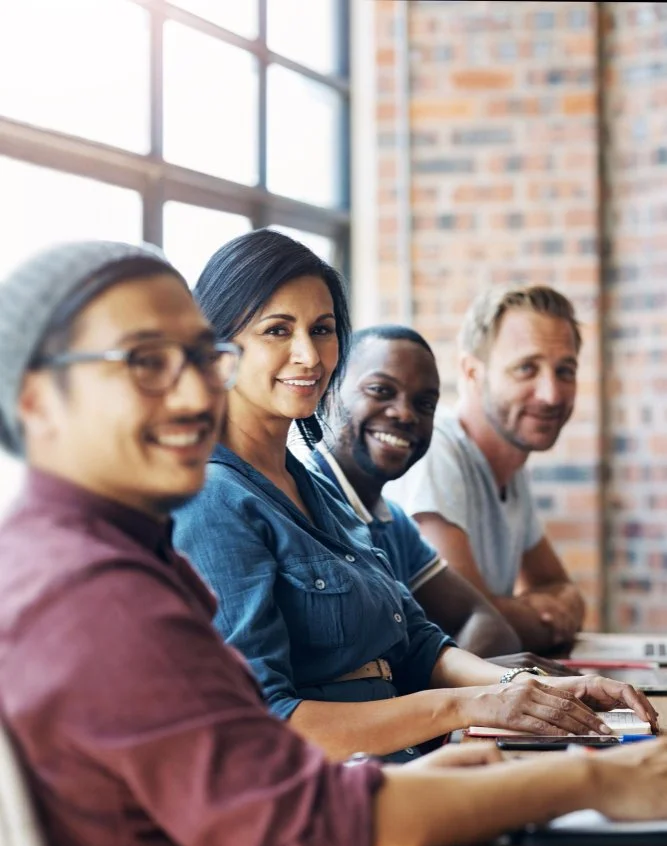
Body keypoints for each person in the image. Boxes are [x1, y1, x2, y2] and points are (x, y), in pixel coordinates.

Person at [1, 241, 665, 846]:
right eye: (144, 363)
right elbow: (301, 819)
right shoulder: (97, 592)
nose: (192, 395)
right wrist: (587, 777)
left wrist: (463, 753)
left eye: (196, 356)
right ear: (34, 401)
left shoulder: (127, 550)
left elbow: (265, 767)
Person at [174, 229, 654, 772]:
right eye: (277, 330)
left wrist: (539, 688)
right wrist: (470, 703)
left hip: (413, 765)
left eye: (323, 329)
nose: (308, 355)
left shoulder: (314, 487)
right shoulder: (211, 500)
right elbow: (267, 723)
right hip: (340, 801)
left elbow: (420, 645)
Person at [312, 322, 566, 672]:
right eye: (381, 390)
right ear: (327, 393)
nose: (405, 413)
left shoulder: (393, 521)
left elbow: (489, 624)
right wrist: (464, 679)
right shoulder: (301, 502)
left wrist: (469, 677)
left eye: (425, 403)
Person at [385, 285, 586, 655]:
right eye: (527, 368)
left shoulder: (512, 463)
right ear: (472, 372)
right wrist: (540, 617)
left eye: (565, 371)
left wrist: (536, 609)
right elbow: (469, 626)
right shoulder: (435, 452)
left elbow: (561, 588)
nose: (552, 394)